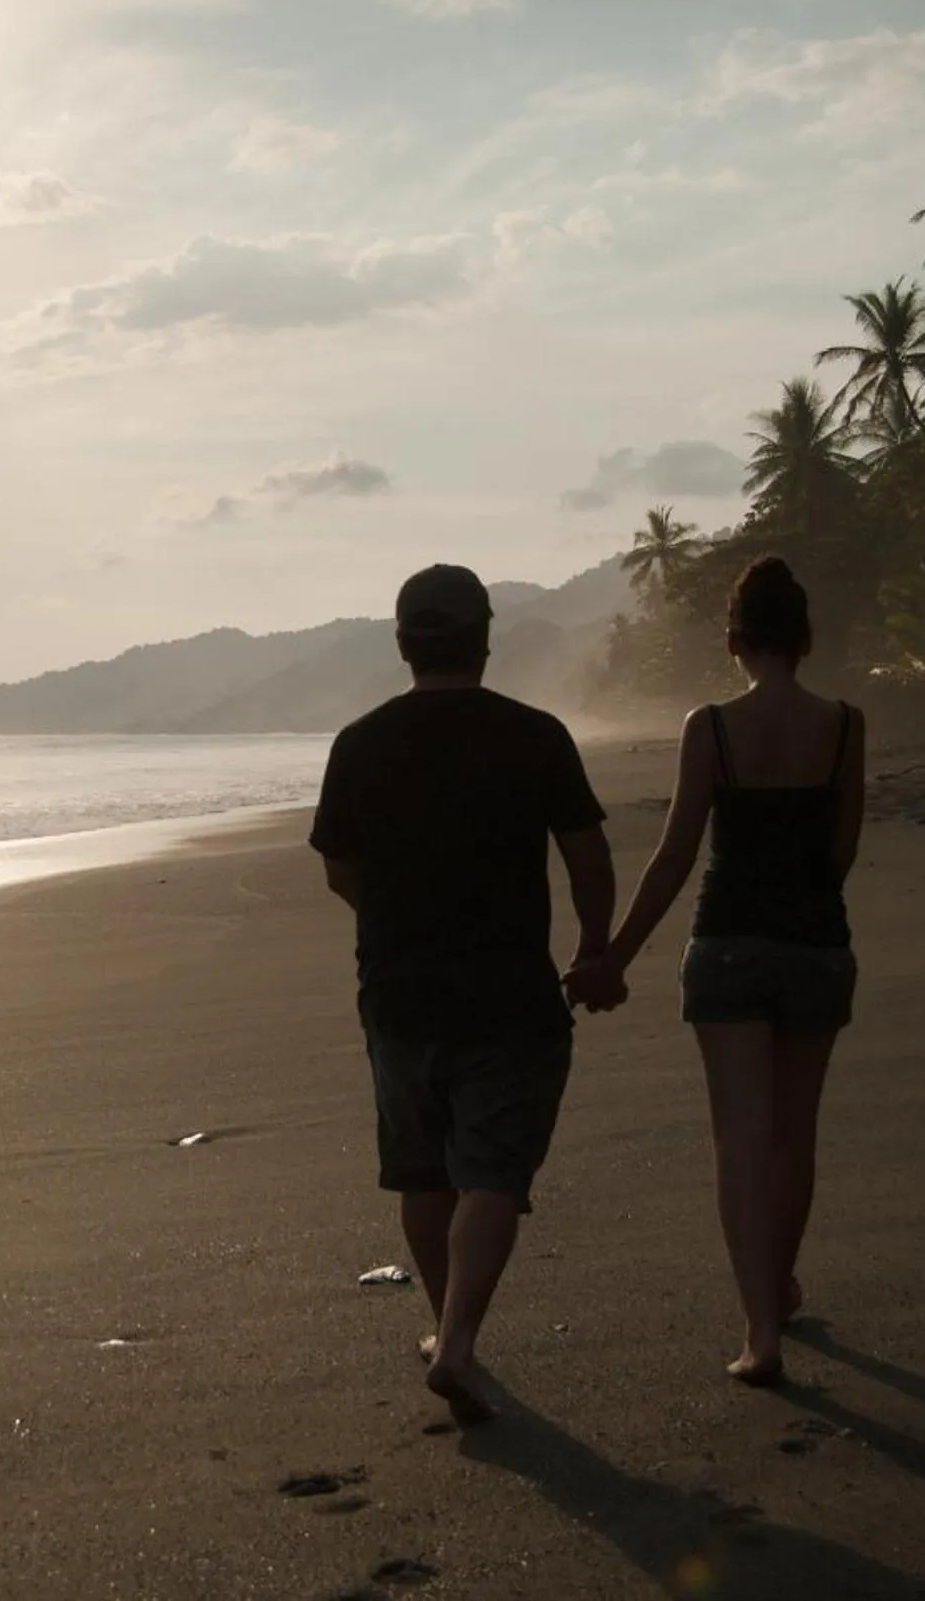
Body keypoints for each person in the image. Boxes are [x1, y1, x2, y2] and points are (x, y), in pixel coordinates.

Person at [311, 563, 616, 1424]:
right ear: (485, 639)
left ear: (401, 643)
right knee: (493, 1170)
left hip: (398, 991)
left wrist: (399, 920)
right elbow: (587, 856)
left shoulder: (360, 742)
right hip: (508, 987)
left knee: (422, 1168)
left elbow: (340, 869)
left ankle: (449, 1332)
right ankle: (456, 1342)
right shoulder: (535, 735)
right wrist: (596, 948)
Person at [564, 556, 864, 1386]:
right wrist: (799, 904)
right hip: (816, 945)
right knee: (793, 1136)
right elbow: (841, 850)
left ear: (734, 640)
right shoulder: (845, 725)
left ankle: (761, 1330)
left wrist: (612, 958)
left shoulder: (712, 727)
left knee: (740, 1139)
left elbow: (674, 857)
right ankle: (781, 1284)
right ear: (804, 638)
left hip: (727, 946)